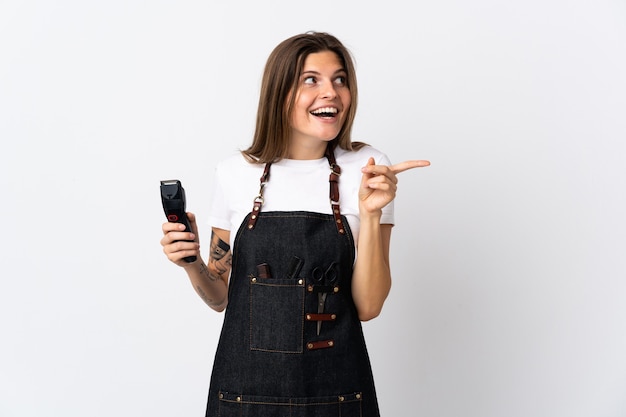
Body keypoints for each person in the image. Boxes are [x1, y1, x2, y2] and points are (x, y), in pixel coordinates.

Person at [160, 31, 430, 417]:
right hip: (244, 399)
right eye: (311, 80)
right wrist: (191, 264)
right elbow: (221, 297)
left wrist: (371, 214)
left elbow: (368, 307)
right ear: (279, 93)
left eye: (340, 79)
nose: (331, 92)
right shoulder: (235, 173)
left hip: (336, 398)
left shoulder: (367, 168)